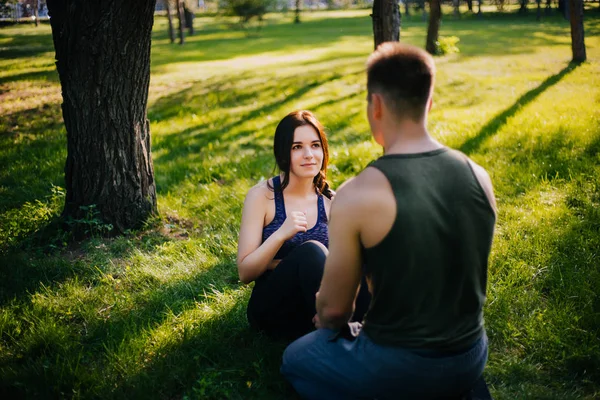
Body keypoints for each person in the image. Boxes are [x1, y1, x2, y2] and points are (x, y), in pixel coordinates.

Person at [281, 43, 497, 399]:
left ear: (376, 106)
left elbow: (335, 311)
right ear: (429, 103)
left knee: (296, 357)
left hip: (401, 364)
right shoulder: (479, 176)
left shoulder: (358, 193)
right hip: (471, 355)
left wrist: (326, 313)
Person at [237, 110, 336, 341]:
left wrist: (277, 263)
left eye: (315, 145)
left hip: (314, 306)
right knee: (311, 251)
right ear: (283, 153)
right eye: (297, 147)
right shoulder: (262, 196)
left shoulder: (332, 202)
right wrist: (281, 234)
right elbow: (245, 272)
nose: (309, 154)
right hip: (273, 310)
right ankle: (341, 332)